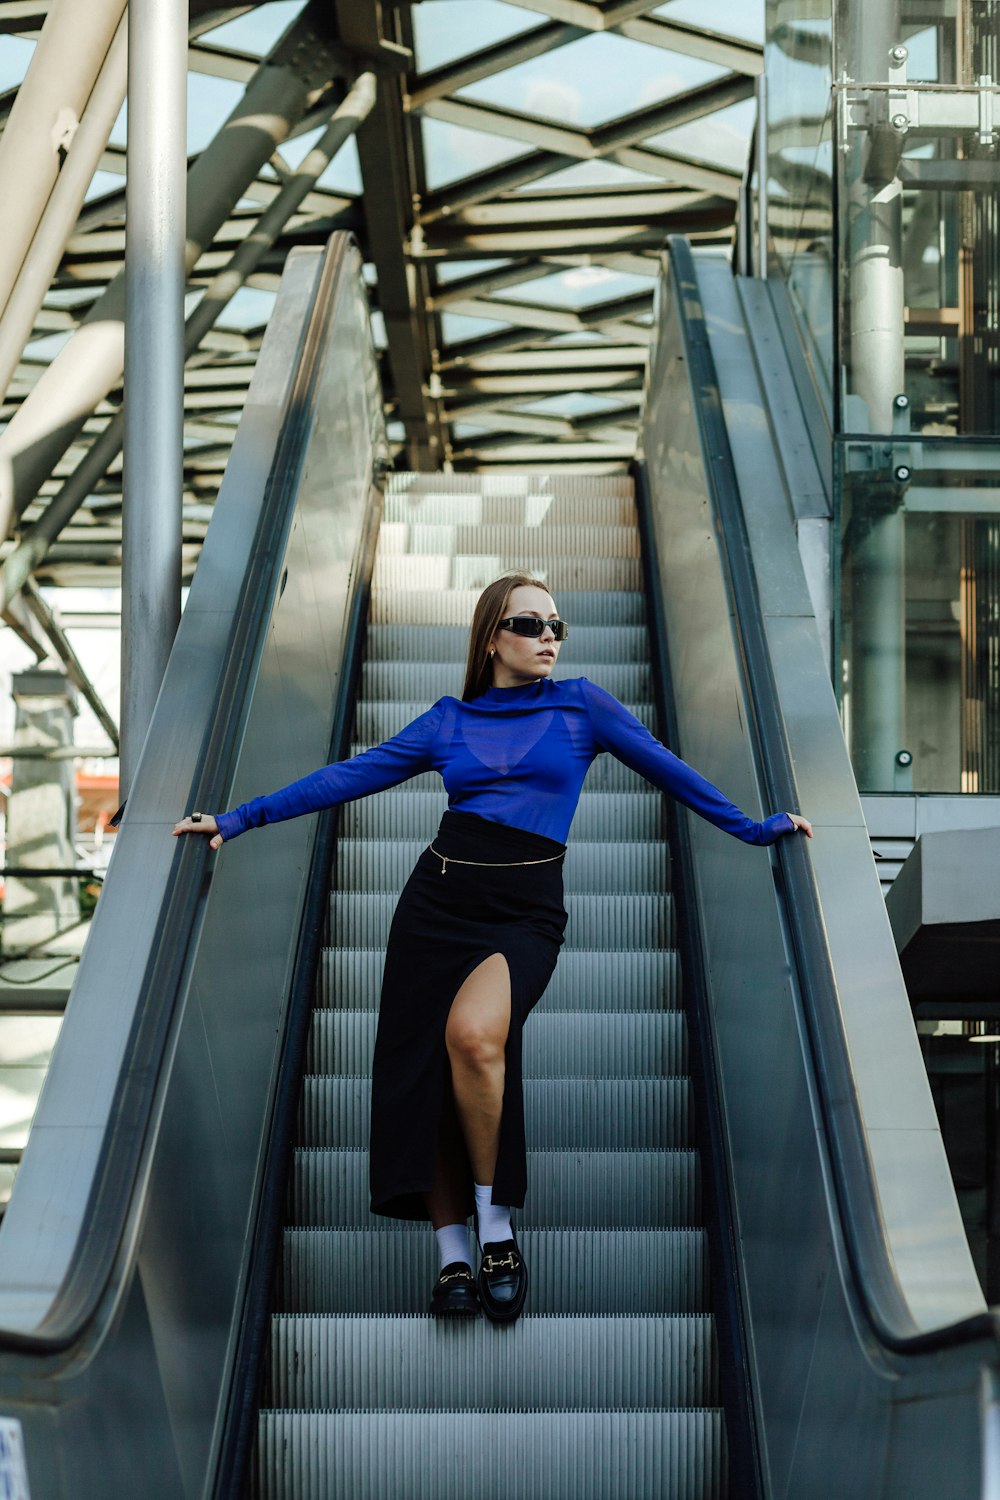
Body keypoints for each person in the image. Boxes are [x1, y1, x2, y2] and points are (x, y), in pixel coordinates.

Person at [174, 572, 811, 1323]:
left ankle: (496, 1225)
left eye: (555, 626)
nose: (548, 637)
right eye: (530, 623)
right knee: (421, 1075)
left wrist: (752, 826)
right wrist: (238, 818)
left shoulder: (582, 706)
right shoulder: (448, 721)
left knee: (475, 1041)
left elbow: (669, 768)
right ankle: (450, 1253)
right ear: (491, 637)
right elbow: (351, 775)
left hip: (524, 911)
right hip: (437, 903)